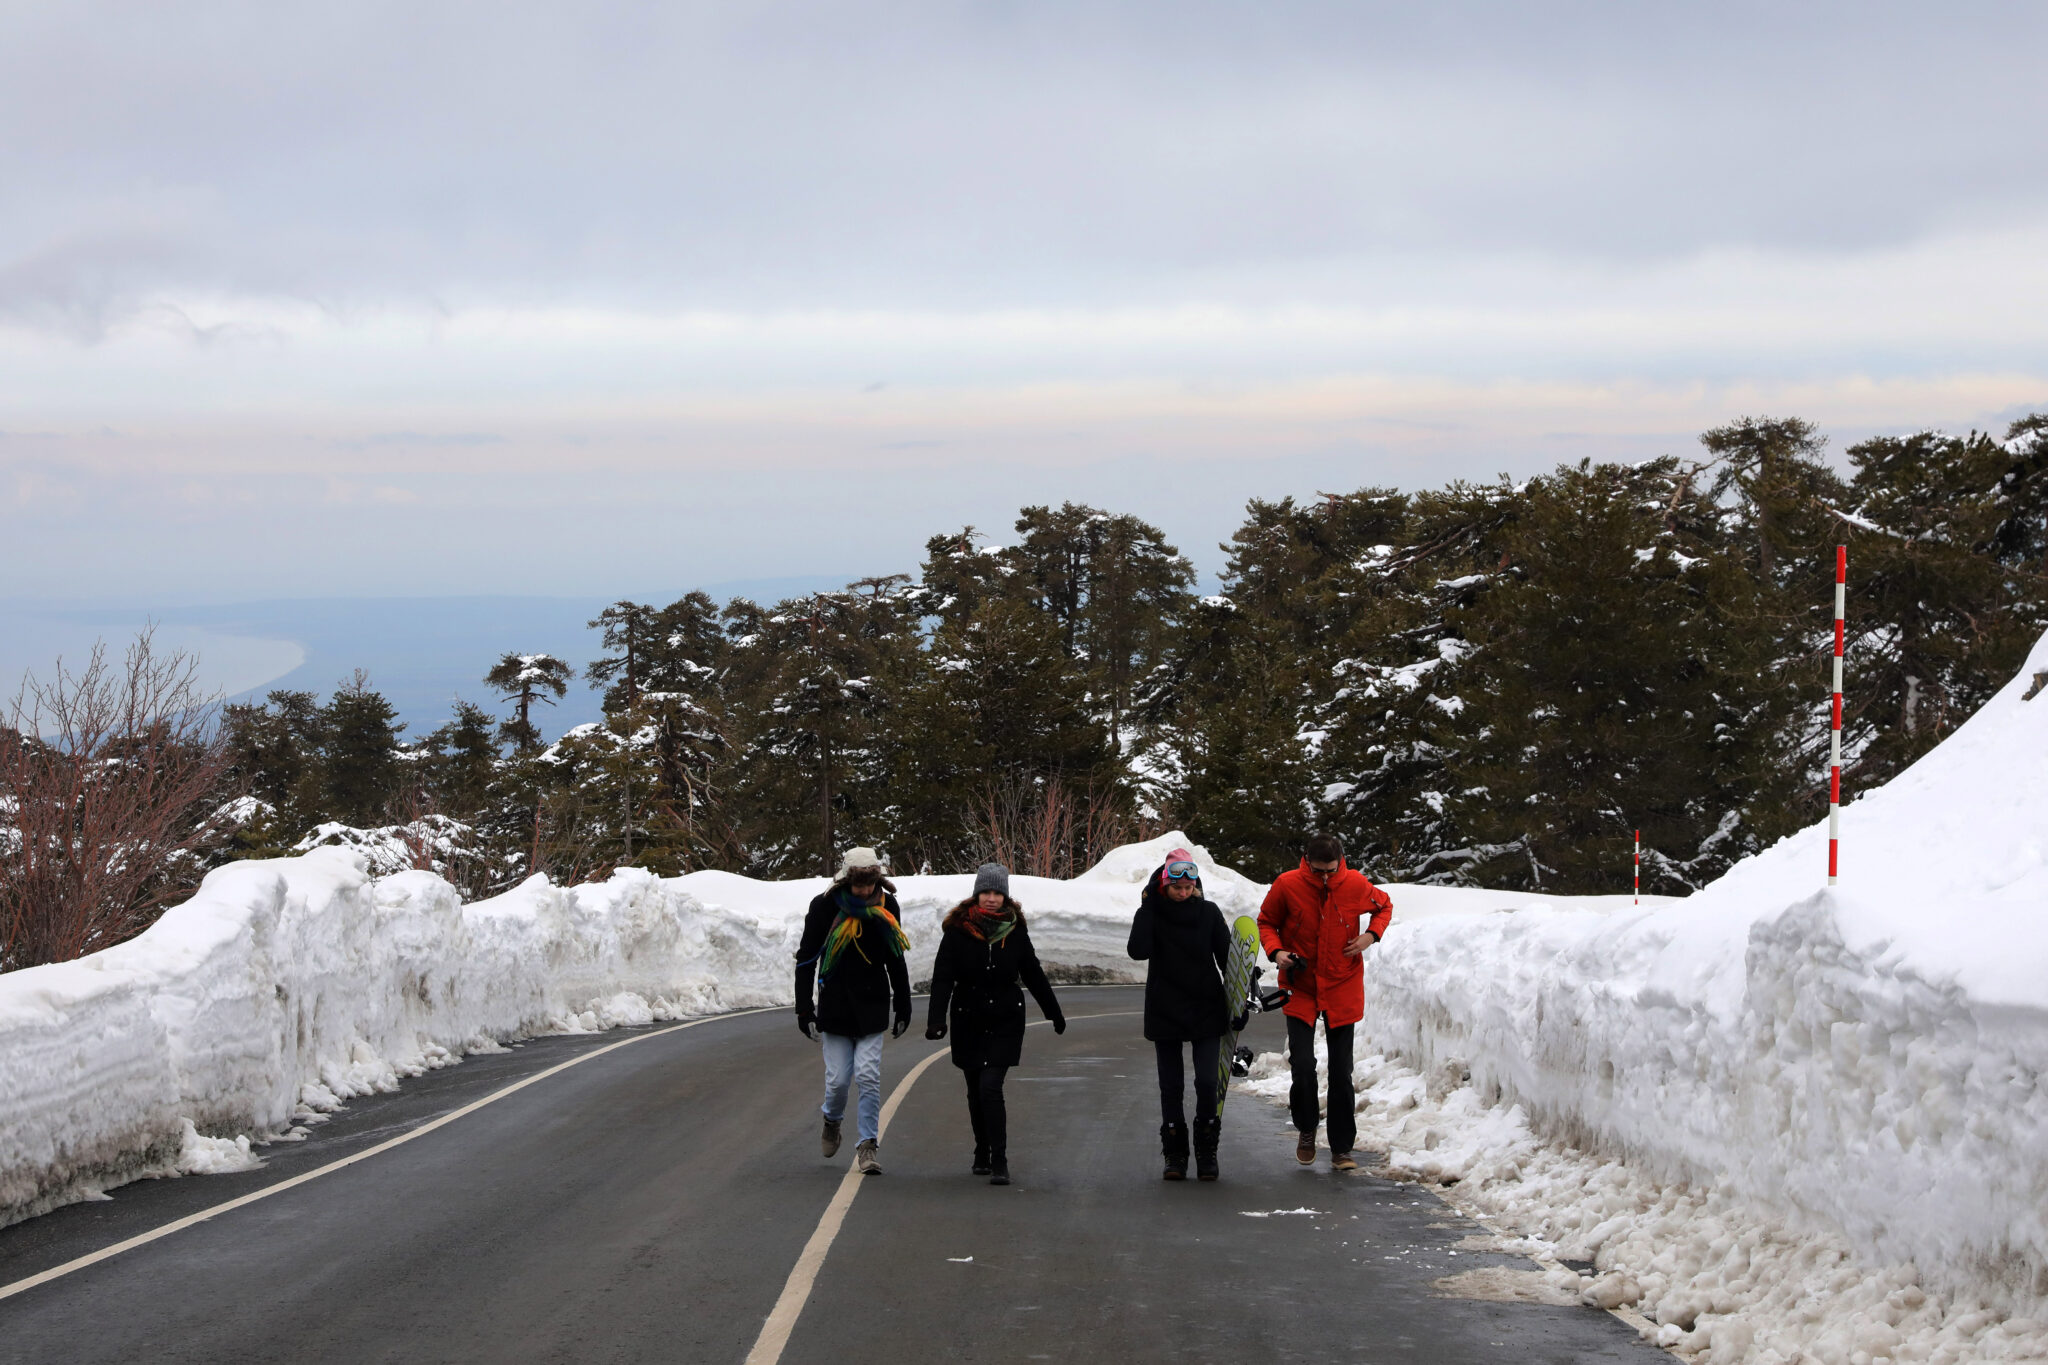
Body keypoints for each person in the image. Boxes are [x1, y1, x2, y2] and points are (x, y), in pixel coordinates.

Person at [1257, 833, 1392, 1172]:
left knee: (1341, 1072)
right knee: (1303, 1065)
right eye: (1319, 871)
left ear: (1340, 862)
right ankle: (1306, 1127)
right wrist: (1277, 952)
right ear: (1307, 862)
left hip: (1341, 984)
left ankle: (1342, 1149)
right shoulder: (1287, 884)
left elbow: (1384, 905)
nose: (1326, 878)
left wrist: (1369, 936)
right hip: (1300, 984)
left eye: (1331, 870)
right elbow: (1266, 922)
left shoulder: (1356, 883)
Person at [925, 862, 1066, 1186]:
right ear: (977, 894)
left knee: (991, 1087)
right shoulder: (958, 930)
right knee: (975, 1089)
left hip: (1005, 1016)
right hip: (968, 1016)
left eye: (997, 892)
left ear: (1005, 895)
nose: (991, 898)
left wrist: (1053, 1012)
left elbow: (1032, 972)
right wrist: (935, 1021)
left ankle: (1000, 1159)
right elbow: (943, 977)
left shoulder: (1015, 930)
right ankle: (982, 1150)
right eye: (986, 892)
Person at [794, 846, 913, 1176]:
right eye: (858, 885)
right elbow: (806, 961)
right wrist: (804, 1010)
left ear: (877, 881)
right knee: (838, 1082)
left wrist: (903, 1004)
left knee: (868, 1076)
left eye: (869, 885)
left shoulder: (887, 907)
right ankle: (832, 1120)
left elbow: (895, 956)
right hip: (835, 1007)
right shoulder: (824, 907)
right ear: (846, 881)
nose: (863, 891)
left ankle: (867, 1146)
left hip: (873, 1005)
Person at [1126, 850, 1233, 1181]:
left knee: (1207, 1082)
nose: (1183, 893)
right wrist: (1146, 908)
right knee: (1171, 1086)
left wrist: (1243, 998)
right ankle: (1175, 1154)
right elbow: (1137, 950)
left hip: (1206, 1006)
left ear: (1196, 886)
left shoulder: (1209, 913)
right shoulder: (1152, 913)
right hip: (1165, 1008)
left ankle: (1206, 1151)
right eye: (1176, 888)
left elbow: (1229, 959)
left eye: (1188, 887)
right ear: (1164, 887)